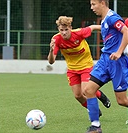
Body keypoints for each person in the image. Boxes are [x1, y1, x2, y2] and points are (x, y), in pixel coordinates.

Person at [47, 16, 111, 119]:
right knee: (78, 96)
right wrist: (51, 50)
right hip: (72, 69)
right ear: (58, 30)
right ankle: (92, 108)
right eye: (61, 30)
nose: (64, 33)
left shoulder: (79, 33)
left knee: (85, 90)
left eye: (66, 30)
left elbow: (93, 27)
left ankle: (100, 96)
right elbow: (51, 61)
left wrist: (111, 28)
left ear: (70, 28)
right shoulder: (56, 40)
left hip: (86, 65)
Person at [84, 0, 128, 133]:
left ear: (102, 3)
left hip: (117, 63)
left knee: (122, 101)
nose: (92, 8)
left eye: (93, 4)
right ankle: (96, 126)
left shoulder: (112, 17)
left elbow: (126, 31)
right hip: (105, 61)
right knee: (88, 90)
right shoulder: (104, 20)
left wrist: (119, 52)